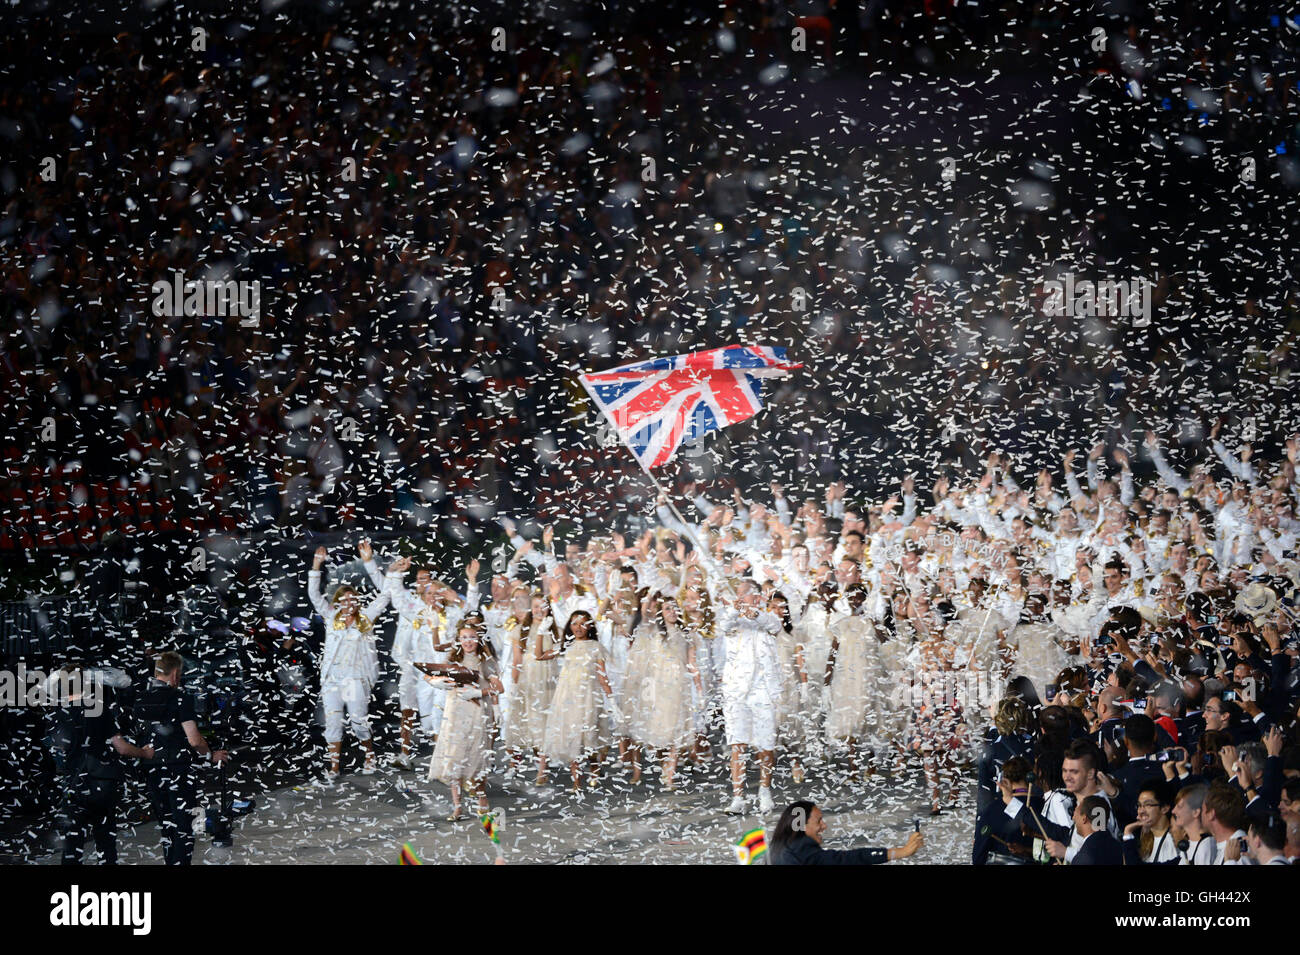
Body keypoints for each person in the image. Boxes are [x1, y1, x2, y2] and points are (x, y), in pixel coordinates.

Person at [45, 666, 152, 864]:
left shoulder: (57, 714)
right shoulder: (97, 709)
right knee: (105, 842)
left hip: (74, 785)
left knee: (71, 845)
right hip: (101, 783)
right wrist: (144, 752)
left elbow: (55, 750)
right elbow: (121, 747)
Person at [134, 652, 229, 865]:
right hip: (178, 769)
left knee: (166, 825)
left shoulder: (140, 700)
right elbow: (195, 740)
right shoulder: (180, 699)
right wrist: (210, 755)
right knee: (183, 825)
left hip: (151, 769)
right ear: (175, 674)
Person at [307, 546, 394, 778]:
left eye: (352, 598)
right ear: (338, 602)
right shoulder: (331, 617)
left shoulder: (366, 618)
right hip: (332, 679)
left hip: (356, 679)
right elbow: (314, 596)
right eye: (343, 599)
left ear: (357, 601)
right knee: (333, 724)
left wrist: (369, 562)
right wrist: (317, 565)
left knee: (358, 722)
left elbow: (386, 594)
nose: (348, 602)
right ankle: (334, 767)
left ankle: (369, 755)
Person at [426, 614, 502, 821]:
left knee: (476, 757)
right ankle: (457, 806)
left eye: (472, 637)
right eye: (464, 637)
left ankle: (480, 797)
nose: (468, 641)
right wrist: (433, 681)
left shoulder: (485, 660)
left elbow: (499, 687)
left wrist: (479, 693)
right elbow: (430, 671)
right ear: (459, 639)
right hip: (455, 712)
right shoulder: (453, 659)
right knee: (454, 757)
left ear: (478, 639)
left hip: (477, 713)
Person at [717, 577, 783, 814]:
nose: (741, 598)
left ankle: (764, 792)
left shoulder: (769, 618)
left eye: (745, 594)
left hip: (763, 690)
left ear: (756, 597)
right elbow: (724, 625)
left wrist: (757, 615)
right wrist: (736, 610)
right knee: (737, 743)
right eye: (740, 594)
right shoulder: (731, 619)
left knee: (765, 743)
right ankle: (738, 797)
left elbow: (775, 626)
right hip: (736, 690)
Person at [541, 610, 614, 792]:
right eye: (574, 623)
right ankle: (577, 782)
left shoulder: (595, 647)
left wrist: (611, 699)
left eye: (582, 623)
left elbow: (602, 675)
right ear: (569, 626)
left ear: (589, 626)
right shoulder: (566, 645)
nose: (578, 627)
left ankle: (594, 771)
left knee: (588, 738)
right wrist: (539, 632)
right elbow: (539, 655)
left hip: (588, 697)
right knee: (573, 737)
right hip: (567, 697)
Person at [768, 800, 924, 865]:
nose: (824, 826)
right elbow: (847, 859)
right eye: (818, 821)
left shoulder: (782, 845)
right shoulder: (802, 848)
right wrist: (899, 852)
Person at [1121, 781, 1179, 863]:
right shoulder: (1144, 840)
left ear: (1165, 808)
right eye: (1139, 805)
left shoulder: (1175, 840)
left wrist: (1128, 832)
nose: (1141, 811)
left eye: (1148, 805)